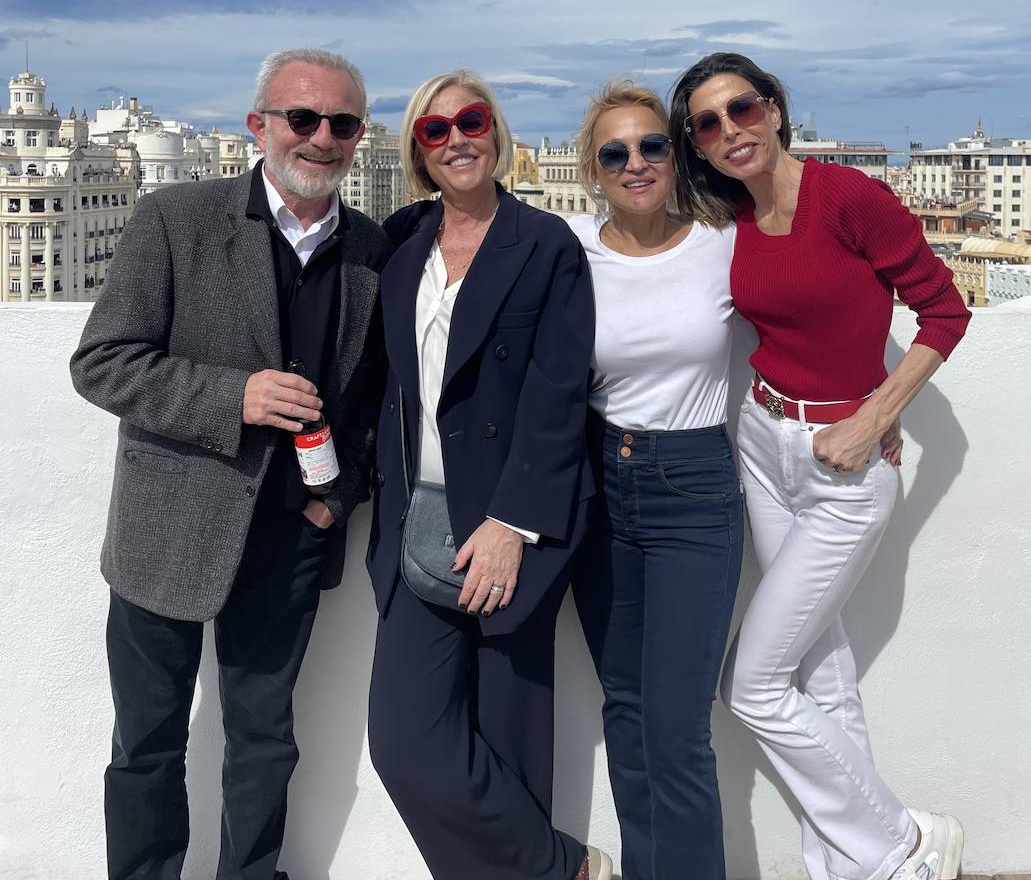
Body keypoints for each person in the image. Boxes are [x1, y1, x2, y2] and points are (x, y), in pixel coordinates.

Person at [70, 47, 390, 880]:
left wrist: (339, 496)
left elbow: (370, 405)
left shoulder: (370, 247)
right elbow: (101, 362)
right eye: (302, 118)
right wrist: (231, 399)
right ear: (260, 126)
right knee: (145, 745)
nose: (322, 138)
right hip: (165, 534)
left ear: (360, 136)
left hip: (290, 541)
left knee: (263, 742)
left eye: (342, 123)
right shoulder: (176, 218)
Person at [669, 51, 971, 880]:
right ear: (694, 143)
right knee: (819, 670)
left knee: (753, 685)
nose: (731, 129)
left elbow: (944, 310)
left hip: (844, 465)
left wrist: (878, 411)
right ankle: (851, 867)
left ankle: (904, 841)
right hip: (764, 446)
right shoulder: (726, 215)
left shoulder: (848, 198)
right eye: (707, 122)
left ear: (772, 109)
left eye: (743, 107)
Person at [366, 69, 613, 880]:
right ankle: (562, 868)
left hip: (507, 524)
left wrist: (512, 524)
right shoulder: (404, 242)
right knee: (403, 743)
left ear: (498, 133)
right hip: (416, 522)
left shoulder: (543, 244)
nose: (456, 139)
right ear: (417, 151)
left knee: (509, 742)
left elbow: (556, 393)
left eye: (470, 121)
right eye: (435, 130)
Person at [568, 80, 743, 880]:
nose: (634, 163)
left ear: (675, 156)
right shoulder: (568, 247)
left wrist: (870, 410)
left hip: (694, 486)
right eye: (615, 153)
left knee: (676, 728)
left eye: (650, 146)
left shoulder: (721, 240)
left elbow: (814, 297)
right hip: (600, 484)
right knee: (626, 711)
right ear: (592, 170)